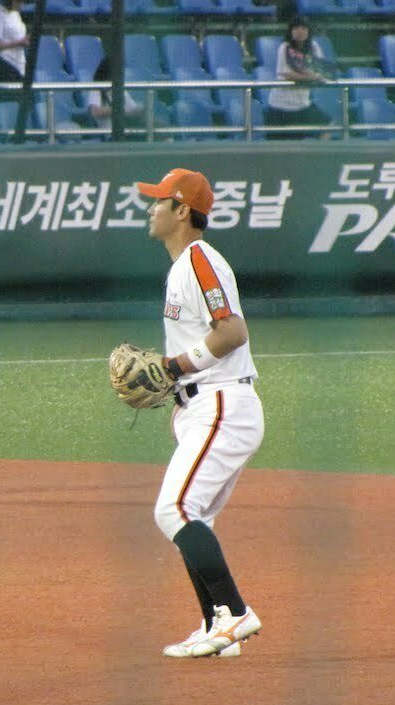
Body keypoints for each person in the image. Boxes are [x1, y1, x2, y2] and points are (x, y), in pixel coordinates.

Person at [134, 168, 264, 658]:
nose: (151, 208)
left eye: (159, 201)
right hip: (204, 407)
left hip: (223, 403)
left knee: (175, 509)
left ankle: (235, 613)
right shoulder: (184, 265)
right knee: (196, 517)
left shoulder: (199, 261)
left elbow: (231, 332)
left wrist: (173, 366)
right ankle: (217, 627)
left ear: (182, 209)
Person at [266, 16, 331, 139]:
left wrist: (312, 75)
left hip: (302, 104)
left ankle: (321, 157)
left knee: (326, 127)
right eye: (296, 28)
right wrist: (310, 76)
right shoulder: (284, 47)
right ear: (290, 31)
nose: (300, 32)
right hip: (281, 106)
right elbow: (286, 74)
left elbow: (321, 70)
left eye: (303, 28)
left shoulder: (314, 46)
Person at [84, 57, 145, 135]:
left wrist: (140, 110)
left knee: (152, 122)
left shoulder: (119, 88)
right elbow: (95, 112)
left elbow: (132, 108)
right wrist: (116, 110)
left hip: (128, 126)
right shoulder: (96, 89)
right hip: (112, 131)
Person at [0, 0, 28, 84]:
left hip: (19, 66)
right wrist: (19, 43)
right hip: (4, 66)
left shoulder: (15, 15)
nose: (22, 3)